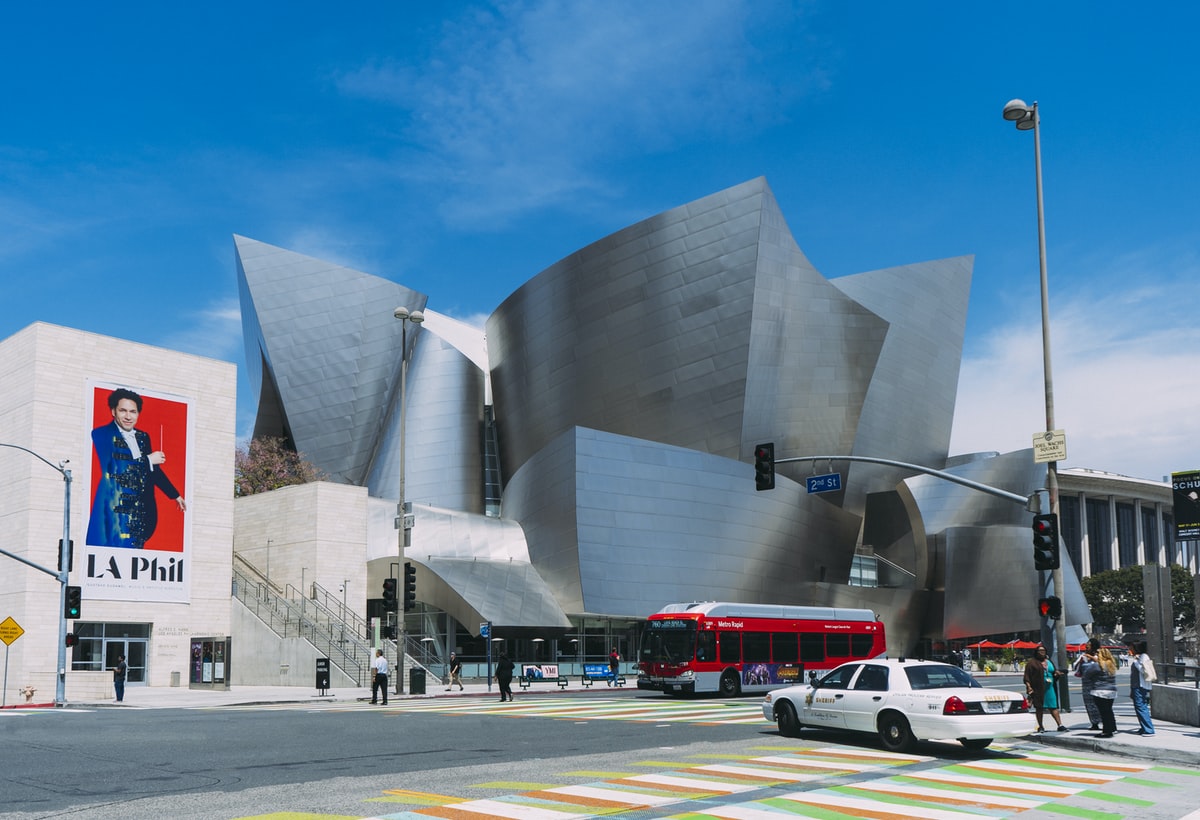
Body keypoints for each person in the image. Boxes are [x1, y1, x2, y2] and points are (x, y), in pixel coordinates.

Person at [86, 388, 186, 549]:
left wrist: (175, 495)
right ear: (113, 412)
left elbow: (153, 472)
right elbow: (114, 468)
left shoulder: (142, 437)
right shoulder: (100, 434)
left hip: (141, 514)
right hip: (114, 512)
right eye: (123, 411)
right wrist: (148, 460)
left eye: (133, 411)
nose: (128, 416)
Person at [1024, 645, 1067, 732]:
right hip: (1038, 688)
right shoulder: (1032, 663)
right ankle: (1040, 726)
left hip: (1050, 687)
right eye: (1040, 651)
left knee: (1053, 706)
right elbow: (1027, 677)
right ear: (1036, 652)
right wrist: (1029, 687)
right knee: (1039, 708)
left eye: (1043, 650)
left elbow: (1053, 671)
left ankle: (1060, 725)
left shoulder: (1049, 662)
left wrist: (1056, 674)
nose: (1042, 652)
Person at [1080, 647, 1118, 738]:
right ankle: (1112, 727)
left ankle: (1106, 731)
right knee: (1109, 710)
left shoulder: (1097, 665)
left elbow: (1086, 675)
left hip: (1099, 690)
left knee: (1103, 712)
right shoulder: (1111, 665)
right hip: (1111, 691)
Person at [1073, 637, 1102, 730]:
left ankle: (1104, 721)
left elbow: (1103, 663)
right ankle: (1094, 723)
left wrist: (1092, 658)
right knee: (1089, 704)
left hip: (1098, 683)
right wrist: (1081, 661)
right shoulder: (1083, 656)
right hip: (1086, 684)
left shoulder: (1099, 654)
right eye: (1086, 646)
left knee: (1099, 703)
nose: (1086, 648)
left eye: (1088, 646)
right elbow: (1074, 666)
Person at [1128, 641, 1156, 735]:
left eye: (1132, 648)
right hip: (1136, 685)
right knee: (1139, 706)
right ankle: (1144, 727)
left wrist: (1136, 661)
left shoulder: (1144, 656)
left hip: (1140, 685)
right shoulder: (1140, 656)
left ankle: (1149, 729)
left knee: (1141, 706)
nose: (1130, 650)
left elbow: (1143, 670)